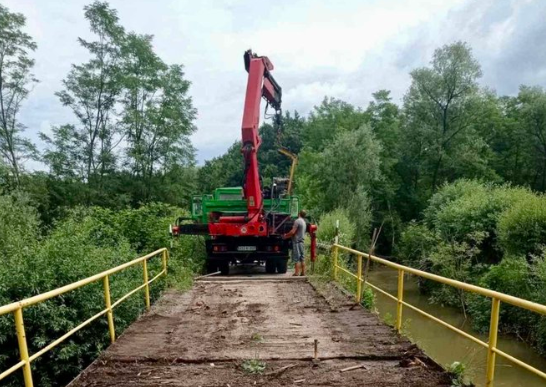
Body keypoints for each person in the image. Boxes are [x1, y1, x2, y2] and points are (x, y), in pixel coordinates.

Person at [283, 210, 307, 276]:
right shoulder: (304, 222)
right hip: (302, 242)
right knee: (302, 258)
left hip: (296, 242)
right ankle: (303, 272)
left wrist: (286, 235)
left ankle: (296, 273)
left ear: (299, 214)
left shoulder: (297, 221)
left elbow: (293, 232)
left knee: (297, 258)